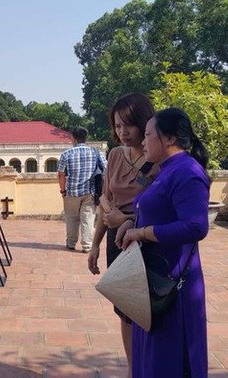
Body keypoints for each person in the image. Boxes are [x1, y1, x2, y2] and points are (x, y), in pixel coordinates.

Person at [116, 107, 210, 377]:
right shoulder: (168, 170)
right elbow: (153, 210)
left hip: (172, 281)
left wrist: (143, 232)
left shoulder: (186, 172)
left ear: (169, 139)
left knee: (169, 358)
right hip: (153, 276)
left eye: (147, 135)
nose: (143, 142)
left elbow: (196, 226)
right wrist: (129, 224)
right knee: (151, 353)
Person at [87, 93, 157, 376]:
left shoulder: (156, 159)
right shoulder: (115, 155)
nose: (122, 132)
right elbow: (105, 200)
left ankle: (150, 365)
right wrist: (94, 245)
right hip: (117, 243)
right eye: (117, 126)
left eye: (128, 125)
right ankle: (132, 369)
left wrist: (126, 218)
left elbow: (161, 209)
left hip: (147, 241)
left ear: (143, 123)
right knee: (126, 311)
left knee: (149, 310)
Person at [57, 127, 107, 252]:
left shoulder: (66, 154)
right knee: (88, 218)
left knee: (72, 218)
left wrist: (63, 190)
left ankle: (71, 243)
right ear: (86, 138)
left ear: (73, 138)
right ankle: (87, 245)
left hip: (72, 191)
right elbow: (106, 170)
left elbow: (61, 174)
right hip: (90, 191)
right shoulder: (96, 152)